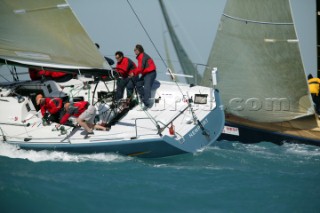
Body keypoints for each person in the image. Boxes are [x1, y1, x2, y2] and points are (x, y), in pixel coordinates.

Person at [133, 44, 157, 109]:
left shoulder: (142, 56)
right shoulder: (140, 56)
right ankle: (144, 98)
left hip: (150, 73)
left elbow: (140, 68)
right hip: (146, 73)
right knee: (138, 84)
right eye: (134, 50)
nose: (134, 51)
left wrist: (133, 73)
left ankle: (147, 105)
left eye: (135, 50)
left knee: (147, 87)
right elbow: (140, 68)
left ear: (139, 50)